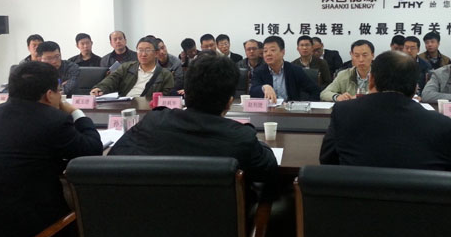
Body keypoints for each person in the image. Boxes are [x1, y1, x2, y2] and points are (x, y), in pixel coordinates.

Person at [0, 62, 102, 237]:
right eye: (58, 91)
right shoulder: (52, 120)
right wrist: (75, 111)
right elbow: (92, 149)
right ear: (49, 95)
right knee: (95, 215)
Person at [109, 53, 277, 190]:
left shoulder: (153, 121)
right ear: (229, 102)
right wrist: (253, 136)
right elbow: (269, 169)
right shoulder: (240, 137)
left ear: (186, 94)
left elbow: (113, 157)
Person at [319, 51, 451, 174]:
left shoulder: (344, 112)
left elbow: (326, 160)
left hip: (355, 205)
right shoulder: (440, 124)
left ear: (371, 80)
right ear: (414, 87)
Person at [91, 37, 174, 99]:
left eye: (148, 50)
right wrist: (99, 88)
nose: (143, 54)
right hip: (124, 105)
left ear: (156, 53)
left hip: (148, 109)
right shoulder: (126, 67)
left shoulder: (165, 75)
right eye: (140, 50)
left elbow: (166, 97)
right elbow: (112, 79)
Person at [250, 36, 320, 102]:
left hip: (289, 109)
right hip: (269, 109)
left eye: (272, 50)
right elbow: (252, 91)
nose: (268, 54)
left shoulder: (295, 70)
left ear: (282, 52)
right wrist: (264, 87)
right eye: (265, 51)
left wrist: (304, 106)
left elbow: (315, 91)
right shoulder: (259, 71)